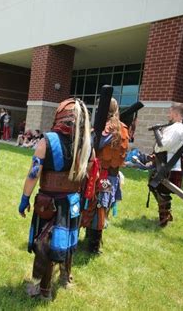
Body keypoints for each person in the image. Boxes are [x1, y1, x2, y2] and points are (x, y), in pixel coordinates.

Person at [18, 98, 91, 300]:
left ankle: (43, 290)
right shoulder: (85, 143)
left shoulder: (46, 141)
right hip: (73, 203)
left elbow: (33, 175)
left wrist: (25, 198)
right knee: (65, 240)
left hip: (49, 204)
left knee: (46, 244)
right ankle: (66, 278)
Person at [80, 98, 129, 254]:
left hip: (103, 176)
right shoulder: (121, 128)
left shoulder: (107, 129)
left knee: (99, 207)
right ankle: (92, 241)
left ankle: (93, 244)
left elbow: (96, 146)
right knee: (99, 207)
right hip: (106, 176)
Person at [150, 103, 183, 227]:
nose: (169, 114)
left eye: (170, 112)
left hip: (169, 165)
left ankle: (164, 218)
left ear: (176, 114)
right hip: (170, 164)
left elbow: (162, 145)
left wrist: (157, 132)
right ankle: (166, 214)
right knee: (157, 188)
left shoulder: (178, 127)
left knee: (161, 191)